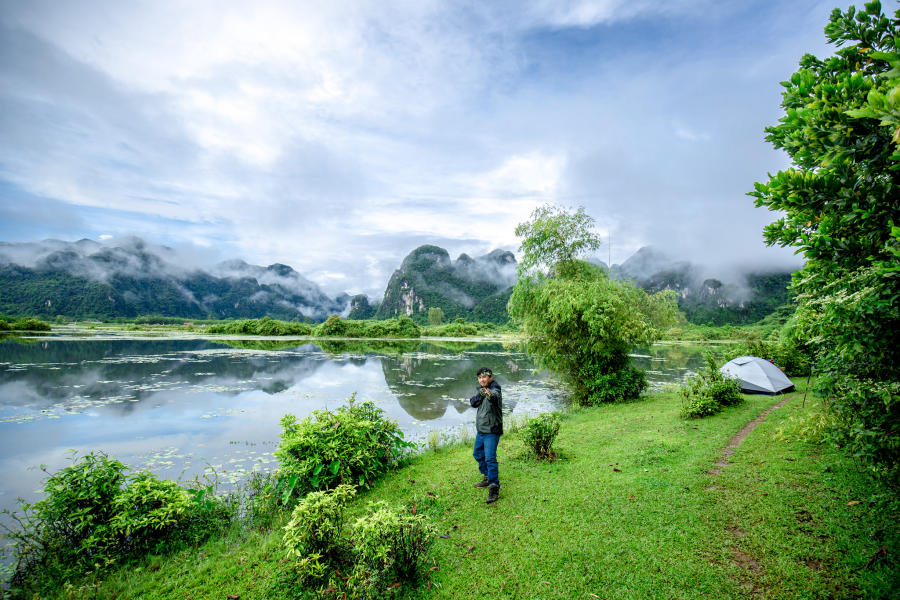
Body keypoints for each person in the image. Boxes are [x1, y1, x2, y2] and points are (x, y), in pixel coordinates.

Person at [470, 366, 502, 503]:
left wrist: (488, 394)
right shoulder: (480, 391)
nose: (482, 379)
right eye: (480, 377)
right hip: (481, 430)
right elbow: (473, 402)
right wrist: (481, 394)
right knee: (477, 454)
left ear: (490, 377)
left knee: (490, 458)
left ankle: (494, 488)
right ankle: (488, 477)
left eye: (484, 377)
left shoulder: (495, 389)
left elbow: (495, 397)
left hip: (492, 431)